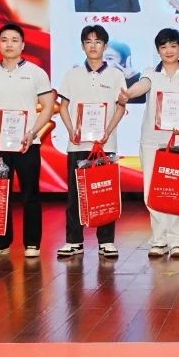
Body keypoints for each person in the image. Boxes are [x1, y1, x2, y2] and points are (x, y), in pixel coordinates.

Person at [0, 23, 56, 258]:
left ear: (22, 45)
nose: (9, 44)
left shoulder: (36, 73)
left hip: (27, 143)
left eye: (14, 40)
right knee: (1, 192)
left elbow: (48, 106)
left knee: (30, 193)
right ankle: (1, 241)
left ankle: (32, 243)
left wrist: (33, 132)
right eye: (4, 40)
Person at [124, 27, 179, 258]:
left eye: (173, 46)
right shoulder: (151, 73)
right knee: (153, 191)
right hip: (152, 142)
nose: (169, 51)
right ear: (158, 50)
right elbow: (142, 86)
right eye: (163, 47)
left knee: (178, 191)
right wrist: (128, 93)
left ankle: (178, 241)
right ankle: (159, 240)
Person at [56, 25, 128, 259]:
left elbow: (120, 107)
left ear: (105, 46)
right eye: (89, 42)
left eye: (98, 42)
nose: (93, 46)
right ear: (82, 46)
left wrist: (107, 131)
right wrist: (71, 130)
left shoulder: (116, 75)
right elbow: (63, 106)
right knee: (75, 195)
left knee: (104, 193)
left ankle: (106, 241)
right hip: (78, 144)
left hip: (105, 145)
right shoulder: (72, 74)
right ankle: (74, 241)